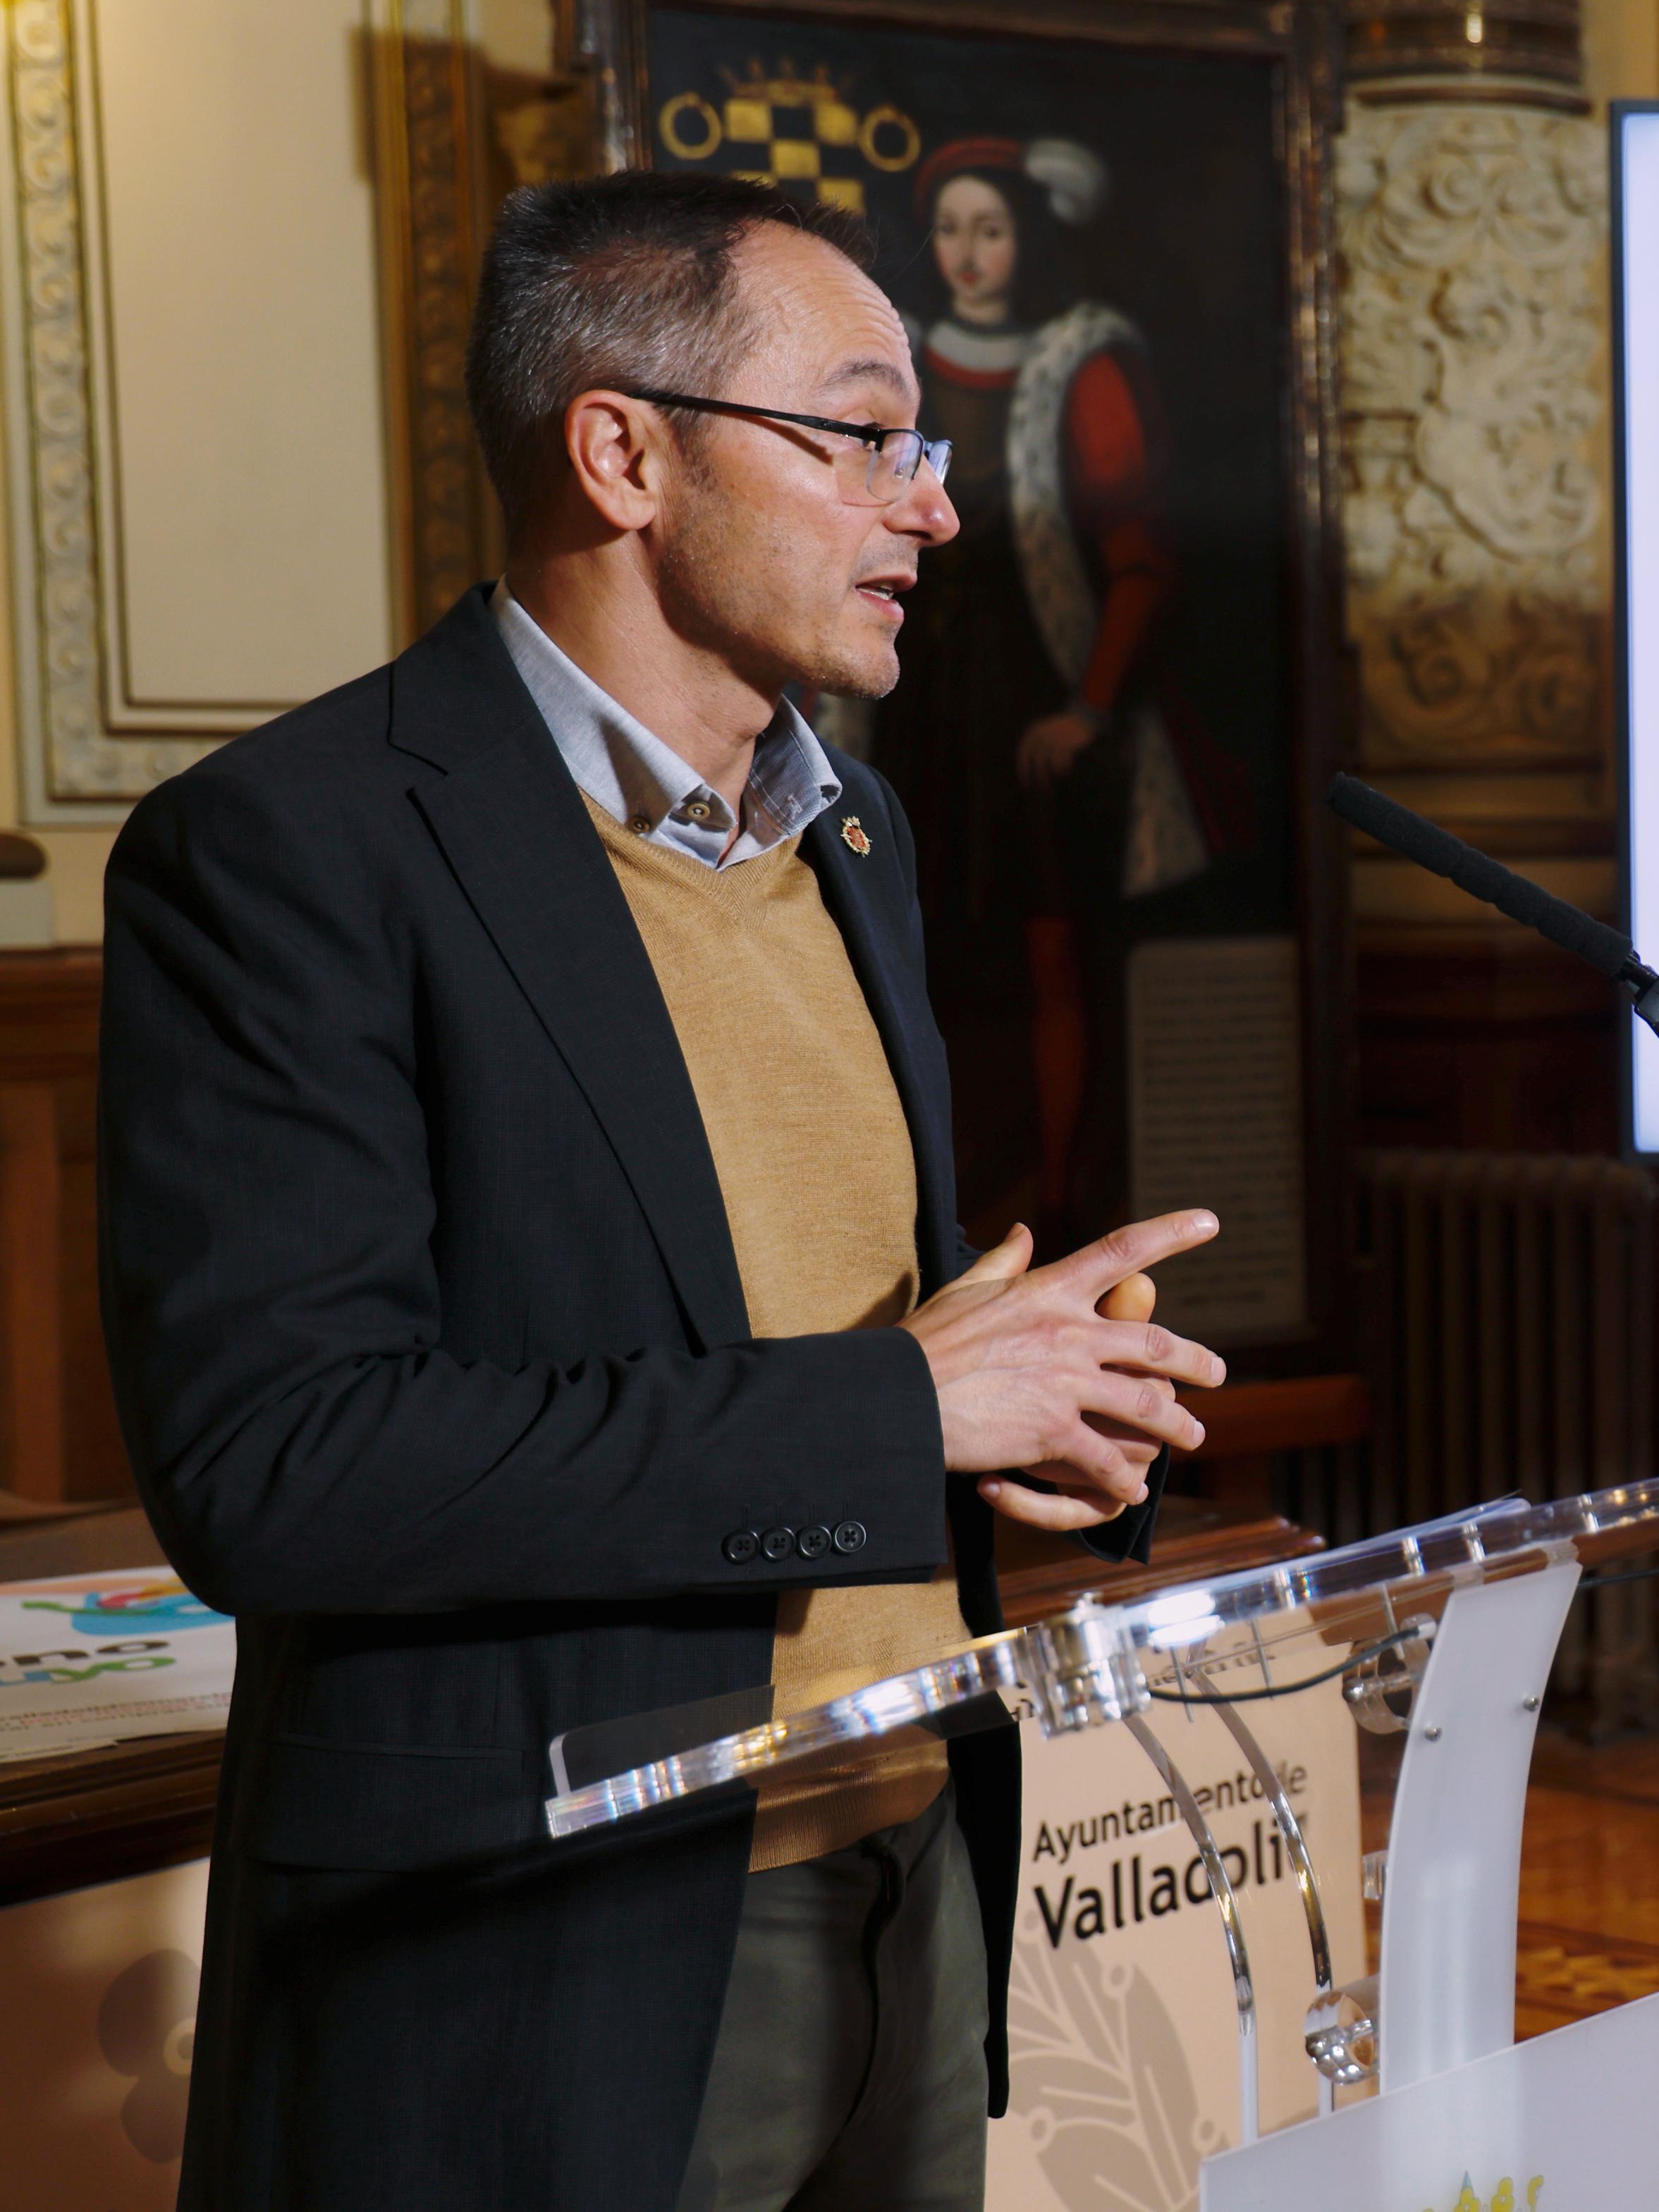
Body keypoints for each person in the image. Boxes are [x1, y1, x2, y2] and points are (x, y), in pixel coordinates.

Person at [99, 170, 1226, 2211]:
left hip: (913, 1857)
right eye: (862, 436)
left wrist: (1038, 1421)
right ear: (622, 453)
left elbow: (827, 1356)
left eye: (925, 448)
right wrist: (907, 1409)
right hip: (554, 1937)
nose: (931, 509)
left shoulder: (857, 830)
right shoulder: (290, 849)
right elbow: (279, 1463)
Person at [866, 134, 1247, 1249]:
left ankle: (1064, 1203)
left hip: (1038, 707)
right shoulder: (899, 357)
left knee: (1052, 953)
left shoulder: (1084, 361)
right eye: (950, 228)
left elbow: (1141, 560)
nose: (967, 252)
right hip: (922, 701)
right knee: (919, 951)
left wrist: (1086, 708)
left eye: (990, 229)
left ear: (1028, 238)